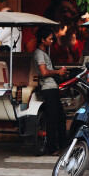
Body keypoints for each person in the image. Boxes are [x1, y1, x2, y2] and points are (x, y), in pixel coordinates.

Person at [33, 26, 68, 155]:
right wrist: (58, 71)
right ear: (42, 40)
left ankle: (63, 146)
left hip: (52, 87)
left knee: (61, 118)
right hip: (48, 89)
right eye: (50, 39)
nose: (52, 41)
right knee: (52, 119)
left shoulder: (44, 53)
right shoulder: (39, 54)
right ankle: (52, 148)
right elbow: (43, 72)